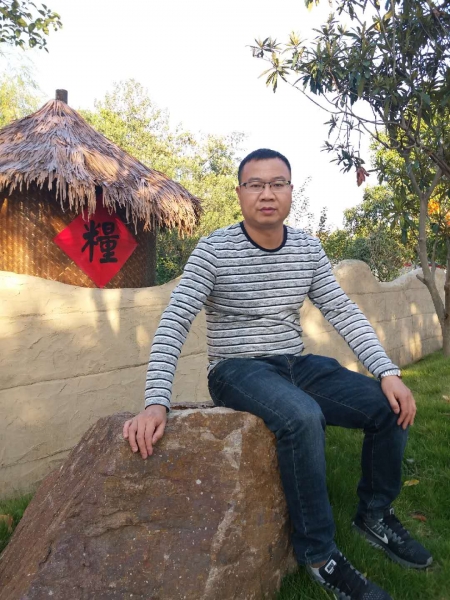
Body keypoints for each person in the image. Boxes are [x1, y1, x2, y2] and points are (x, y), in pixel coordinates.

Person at [123, 149, 432, 600]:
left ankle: (374, 514)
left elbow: (342, 311)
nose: (266, 194)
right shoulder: (214, 250)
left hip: (295, 364)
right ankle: (320, 555)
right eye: (255, 184)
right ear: (240, 193)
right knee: (302, 417)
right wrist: (156, 402)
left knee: (387, 406)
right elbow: (174, 321)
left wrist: (387, 371)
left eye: (277, 184)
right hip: (236, 369)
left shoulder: (306, 248)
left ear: (290, 190)